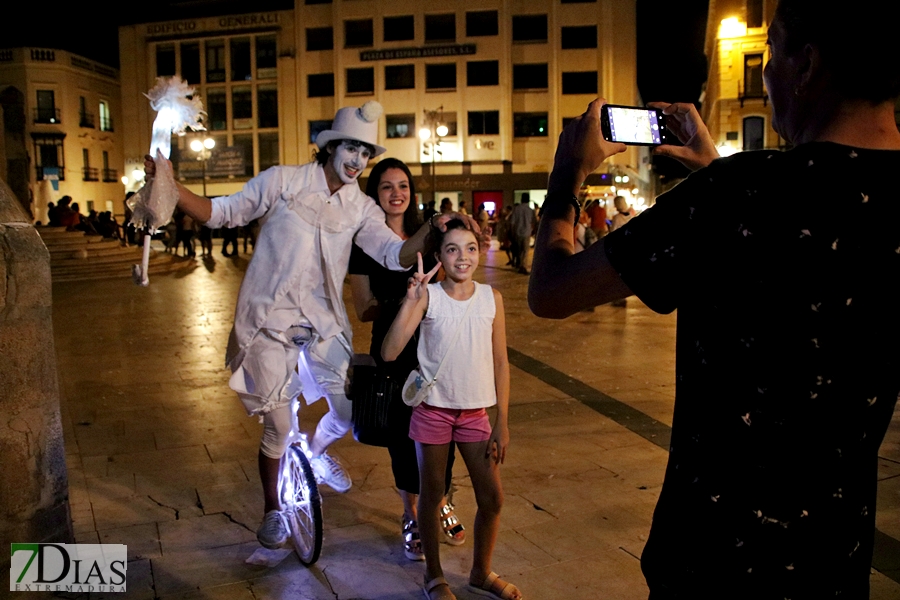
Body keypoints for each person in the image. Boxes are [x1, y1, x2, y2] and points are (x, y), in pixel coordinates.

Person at [528, 0, 900, 597]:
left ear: (808, 64)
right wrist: (716, 169)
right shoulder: (749, 192)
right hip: (835, 558)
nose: (766, 73)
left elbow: (551, 290)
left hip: (714, 561)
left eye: (772, 52)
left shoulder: (735, 197)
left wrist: (568, 174)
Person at [143, 102, 481, 552]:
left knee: (344, 413)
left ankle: (316, 458)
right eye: (351, 149)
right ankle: (272, 511)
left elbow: (393, 253)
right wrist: (170, 185)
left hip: (322, 324)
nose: (358, 161)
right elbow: (223, 212)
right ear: (329, 147)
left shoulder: (361, 207)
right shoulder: (282, 181)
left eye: (365, 153)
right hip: (269, 320)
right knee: (279, 427)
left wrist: (435, 230)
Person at [383, 219, 519, 600]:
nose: (463, 256)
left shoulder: (492, 299)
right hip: (433, 412)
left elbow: (501, 363)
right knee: (431, 495)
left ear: (481, 251)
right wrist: (410, 301)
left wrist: (502, 422)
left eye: (471, 248)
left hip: (476, 415)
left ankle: (480, 572)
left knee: (492, 497)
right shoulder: (429, 296)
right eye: (453, 249)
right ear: (439, 256)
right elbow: (390, 352)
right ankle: (434, 575)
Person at [349, 158, 466, 562]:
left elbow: (460, 279)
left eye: (403, 185)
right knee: (403, 435)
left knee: (445, 426)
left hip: (436, 343)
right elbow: (364, 308)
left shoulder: (431, 237)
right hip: (394, 351)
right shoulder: (363, 245)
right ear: (374, 194)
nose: (396, 193)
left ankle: (442, 500)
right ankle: (412, 513)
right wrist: (408, 302)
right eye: (386, 187)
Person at [509, 195, 534, 274]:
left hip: (517, 232)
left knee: (519, 250)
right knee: (525, 250)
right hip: (527, 232)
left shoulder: (516, 209)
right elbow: (534, 222)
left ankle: (520, 265)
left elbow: (512, 223)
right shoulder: (530, 210)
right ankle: (523, 266)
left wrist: (512, 233)